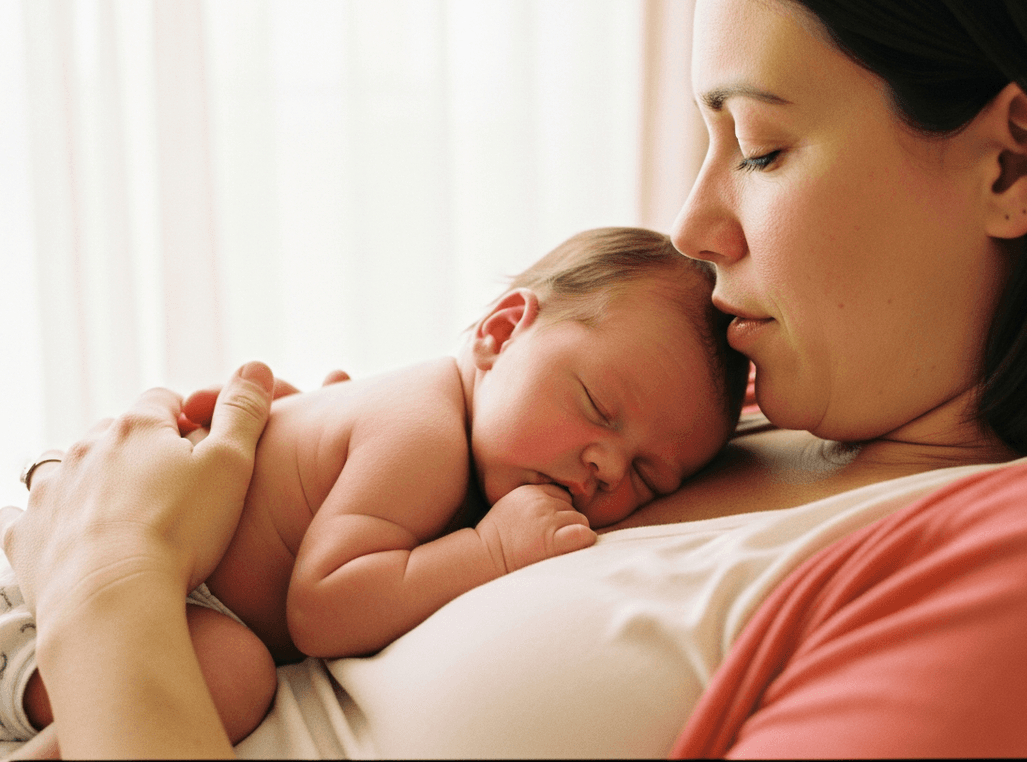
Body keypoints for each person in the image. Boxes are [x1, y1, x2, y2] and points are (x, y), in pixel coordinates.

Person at [6, 0, 1027, 757]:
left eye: (763, 147)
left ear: (1018, 161)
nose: (691, 223)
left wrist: (105, 588)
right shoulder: (726, 409)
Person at [0, 227, 748, 750]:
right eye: (596, 406)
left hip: (141, 576)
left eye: (651, 475)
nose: (608, 468)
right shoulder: (422, 436)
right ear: (502, 330)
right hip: (75, 592)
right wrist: (487, 552)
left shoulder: (448, 426)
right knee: (233, 676)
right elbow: (323, 606)